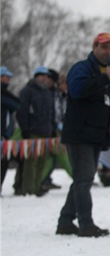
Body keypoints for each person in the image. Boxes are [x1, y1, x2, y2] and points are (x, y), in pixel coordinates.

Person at [56, 32, 110, 237]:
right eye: (104, 47)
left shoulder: (106, 74)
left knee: (82, 179)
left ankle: (65, 222)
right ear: (94, 47)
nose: (108, 51)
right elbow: (77, 90)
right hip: (80, 133)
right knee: (84, 180)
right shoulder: (81, 68)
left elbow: (108, 105)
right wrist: (103, 79)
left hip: (94, 135)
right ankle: (85, 224)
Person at [16, 65, 55, 197]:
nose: (45, 79)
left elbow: (52, 113)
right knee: (31, 162)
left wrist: (53, 128)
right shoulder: (27, 91)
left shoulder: (48, 93)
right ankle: (28, 188)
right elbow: (22, 112)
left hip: (46, 132)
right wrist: (25, 129)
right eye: (42, 76)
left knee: (42, 161)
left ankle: (37, 186)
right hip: (33, 131)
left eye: (46, 77)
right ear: (36, 77)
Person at [1, 66, 21, 192]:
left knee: (4, 163)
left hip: (5, 134)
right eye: (6, 77)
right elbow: (16, 104)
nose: (8, 80)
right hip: (2, 133)